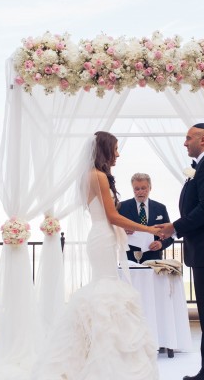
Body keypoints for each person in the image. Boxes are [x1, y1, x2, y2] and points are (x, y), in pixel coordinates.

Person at [32, 131, 161, 380]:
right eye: (115, 149)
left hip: (101, 235)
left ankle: (93, 349)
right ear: (105, 150)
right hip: (102, 238)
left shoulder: (89, 175)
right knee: (106, 292)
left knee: (103, 290)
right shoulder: (98, 176)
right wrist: (149, 229)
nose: (118, 154)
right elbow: (111, 216)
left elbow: (106, 214)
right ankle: (106, 355)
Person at [157, 123, 204, 380]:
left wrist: (174, 227)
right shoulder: (202, 166)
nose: (185, 142)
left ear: (203, 139)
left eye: (188, 138)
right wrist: (176, 230)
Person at [118, 172, 174, 263]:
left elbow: (170, 234)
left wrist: (161, 244)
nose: (140, 191)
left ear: (150, 188)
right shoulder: (122, 207)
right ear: (133, 189)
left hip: (154, 259)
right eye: (137, 189)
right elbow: (113, 229)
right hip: (129, 260)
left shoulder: (161, 208)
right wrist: (121, 231)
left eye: (143, 188)